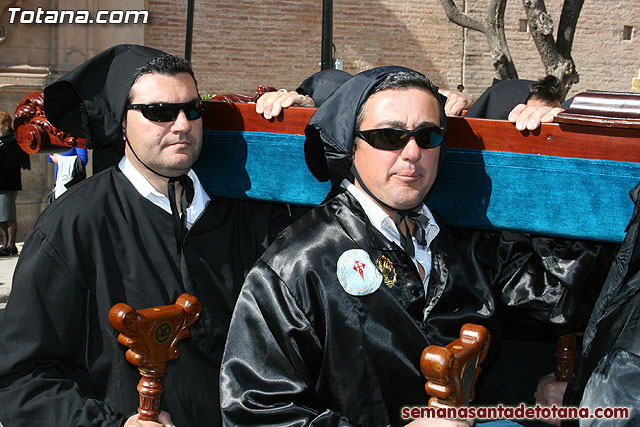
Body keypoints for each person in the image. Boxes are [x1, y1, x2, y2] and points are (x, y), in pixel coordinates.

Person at [219, 66, 609, 426]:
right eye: (389, 136)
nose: (412, 153)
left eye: (428, 136)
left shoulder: (465, 242)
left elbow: (563, 301)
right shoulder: (298, 263)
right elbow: (257, 411)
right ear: (349, 145)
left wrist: (558, 165)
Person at [0, 44, 289, 427]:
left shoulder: (246, 209)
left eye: (193, 109)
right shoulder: (74, 223)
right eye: (160, 112)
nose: (183, 124)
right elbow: (20, 379)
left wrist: (305, 115)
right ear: (122, 122)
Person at [0, 110, 29, 256]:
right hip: (1, 182)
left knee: (8, 215)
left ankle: (11, 245)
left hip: (8, 181)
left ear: (5, 124)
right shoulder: (1, 140)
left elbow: (13, 160)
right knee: (1, 217)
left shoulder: (12, 139)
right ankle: (5, 243)